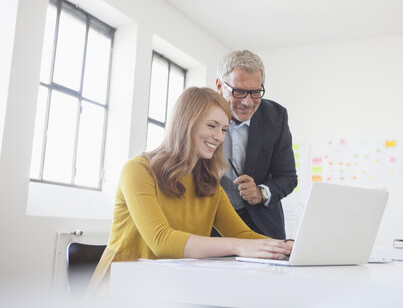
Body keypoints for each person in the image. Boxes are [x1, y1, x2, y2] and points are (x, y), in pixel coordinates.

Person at [89, 87, 292, 290]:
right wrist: (237, 246)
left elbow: (241, 234)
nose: (219, 137)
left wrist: (289, 247)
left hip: (172, 286)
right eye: (212, 126)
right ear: (186, 123)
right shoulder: (138, 169)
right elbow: (161, 241)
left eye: (223, 129)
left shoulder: (210, 183)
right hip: (122, 287)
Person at [215, 50, 297, 239]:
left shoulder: (276, 116)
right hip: (212, 224)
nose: (247, 102)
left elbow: (288, 177)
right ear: (220, 85)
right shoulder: (201, 114)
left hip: (262, 226)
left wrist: (261, 192)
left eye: (255, 92)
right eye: (239, 91)